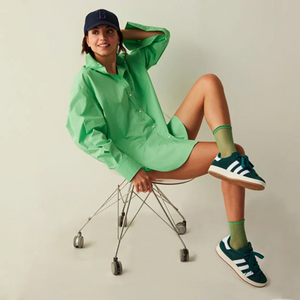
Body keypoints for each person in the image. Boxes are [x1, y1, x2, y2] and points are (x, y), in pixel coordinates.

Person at [66, 9, 267, 287]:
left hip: (166, 135)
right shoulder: (86, 81)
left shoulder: (131, 62)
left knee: (209, 81)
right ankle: (237, 244)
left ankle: (229, 158)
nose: (103, 37)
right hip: (145, 158)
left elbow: (161, 37)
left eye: (109, 31)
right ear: (86, 40)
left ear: (118, 36)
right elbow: (86, 135)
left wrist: (124, 34)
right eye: (95, 32)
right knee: (237, 153)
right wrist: (131, 169)